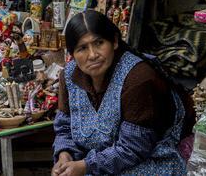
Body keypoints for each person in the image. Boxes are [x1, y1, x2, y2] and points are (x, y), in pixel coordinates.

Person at [52, 10, 192, 176]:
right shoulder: (69, 75)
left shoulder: (138, 77)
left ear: (115, 42)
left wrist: (85, 166)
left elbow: (133, 148)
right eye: (82, 48)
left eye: (99, 43)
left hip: (146, 162)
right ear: (72, 54)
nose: (93, 55)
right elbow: (64, 127)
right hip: (91, 164)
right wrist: (64, 154)